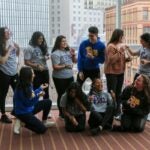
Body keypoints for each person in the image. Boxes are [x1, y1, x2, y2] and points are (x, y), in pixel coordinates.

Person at [13, 66, 55, 134]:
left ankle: (45, 121)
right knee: (42, 130)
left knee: (48, 102)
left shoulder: (28, 83)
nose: (34, 75)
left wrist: (40, 88)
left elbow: (31, 95)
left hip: (29, 108)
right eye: (32, 73)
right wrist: (38, 96)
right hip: (23, 113)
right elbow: (29, 103)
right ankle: (23, 123)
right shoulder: (21, 89)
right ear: (27, 76)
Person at [104, 29, 131, 115]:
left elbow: (119, 59)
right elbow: (111, 60)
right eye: (122, 36)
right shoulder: (111, 46)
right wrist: (120, 51)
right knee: (112, 93)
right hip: (112, 73)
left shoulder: (120, 46)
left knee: (118, 92)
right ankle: (111, 111)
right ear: (118, 36)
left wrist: (126, 59)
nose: (123, 37)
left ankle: (117, 111)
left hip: (120, 72)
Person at [125, 32, 150, 120]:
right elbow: (133, 54)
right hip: (139, 72)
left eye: (142, 40)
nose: (140, 41)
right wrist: (128, 49)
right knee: (134, 88)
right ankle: (133, 106)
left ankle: (145, 111)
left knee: (146, 92)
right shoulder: (142, 48)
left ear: (147, 41)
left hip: (147, 74)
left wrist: (147, 62)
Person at [51, 35, 76, 118]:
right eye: (63, 41)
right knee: (62, 95)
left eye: (65, 41)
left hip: (69, 76)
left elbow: (74, 61)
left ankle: (69, 111)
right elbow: (55, 67)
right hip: (59, 78)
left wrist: (73, 55)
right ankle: (61, 113)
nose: (65, 43)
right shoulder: (55, 53)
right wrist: (65, 66)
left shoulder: (67, 51)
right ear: (58, 43)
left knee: (70, 94)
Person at [0, 27, 20, 123]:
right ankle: (3, 115)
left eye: (9, 31)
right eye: (6, 31)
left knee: (18, 92)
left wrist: (18, 48)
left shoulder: (11, 41)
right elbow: (2, 61)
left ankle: (16, 111)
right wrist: (9, 49)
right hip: (4, 73)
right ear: (2, 34)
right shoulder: (1, 45)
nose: (8, 32)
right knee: (3, 94)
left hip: (14, 72)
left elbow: (16, 55)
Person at [24, 31, 50, 99]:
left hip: (45, 71)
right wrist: (37, 65)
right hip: (36, 73)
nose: (41, 40)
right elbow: (26, 62)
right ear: (35, 38)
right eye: (40, 38)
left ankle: (46, 108)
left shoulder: (43, 46)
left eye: (42, 38)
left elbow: (48, 55)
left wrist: (47, 57)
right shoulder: (29, 48)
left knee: (46, 91)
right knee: (36, 91)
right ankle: (35, 108)